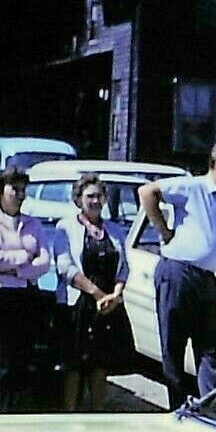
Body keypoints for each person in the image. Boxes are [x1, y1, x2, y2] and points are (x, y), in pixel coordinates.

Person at [138, 141, 216, 404]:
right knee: (174, 344)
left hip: (207, 278)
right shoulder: (192, 187)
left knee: (210, 347)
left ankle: (209, 405)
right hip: (178, 272)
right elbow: (147, 192)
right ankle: (177, 404)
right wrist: (164, 231)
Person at [52, 173, 133, 411]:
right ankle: (70, 414)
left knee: (100, 365)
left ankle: (98, 413)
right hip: (79, 305)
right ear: (78, 200)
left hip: (109, 307)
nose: (95, 201)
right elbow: (65, 268)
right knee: (74, 365)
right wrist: (97, 294)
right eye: (89, 196)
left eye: (99, 196)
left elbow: (124, 268)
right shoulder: (65, 227)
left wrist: (115, 296)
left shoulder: (115, 230)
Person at [0, 167, 53, 412]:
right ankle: (3, 412)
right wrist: (25, 255)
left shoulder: (32, 224)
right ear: (0, 191)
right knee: (2, 361)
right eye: (14, 189)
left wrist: (18, 270)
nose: (19, 195)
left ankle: (22, 412)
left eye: (22, 190)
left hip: (26, 293)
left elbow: (44, 262)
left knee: (23, 359)